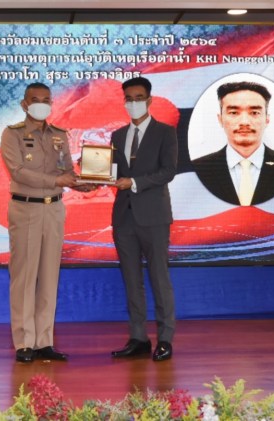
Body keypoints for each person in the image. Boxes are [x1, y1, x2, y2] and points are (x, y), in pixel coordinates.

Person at [0, 82, 77, 363]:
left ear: (51, 104)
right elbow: (18, 172)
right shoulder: (12, 134)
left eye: (46, 100)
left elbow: (67, 170)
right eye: (35, 100)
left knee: (48, 275)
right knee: (24, 276)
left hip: (54, 209)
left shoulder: (59, 135)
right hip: (26, 208)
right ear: (24, 104)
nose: (41, 104)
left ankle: (44, 341)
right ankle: (24, 342)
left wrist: (83, 182)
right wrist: (58, 180)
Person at [109, 77, 178, 362]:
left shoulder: (165, 133)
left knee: (159, 278)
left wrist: (134, 182)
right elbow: (113, 173)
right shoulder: (117, 136)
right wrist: (91, 178)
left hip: (154, 217)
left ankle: (165, 339)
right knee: (131, 279)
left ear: (149, 100)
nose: (133, 103)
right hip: (124, 217)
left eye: (139, 97)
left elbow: (168, 171)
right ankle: (138, 337)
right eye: (129, 98)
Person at [190, 81, 274, 206]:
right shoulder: (199, 169)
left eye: (254, 113)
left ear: (267, 119)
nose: (245, 122)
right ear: (220, 119)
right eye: (234, 113)